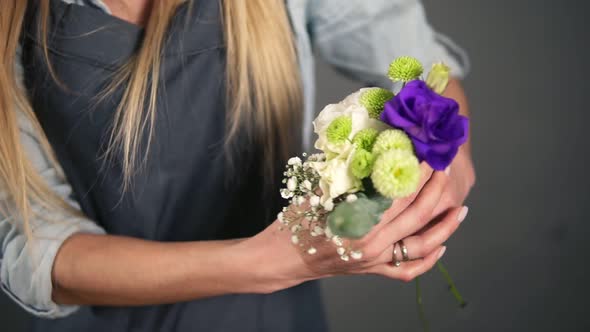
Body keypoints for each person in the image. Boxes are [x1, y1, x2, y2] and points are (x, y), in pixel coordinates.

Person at [0, 0, 476, 331]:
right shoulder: (12, 23)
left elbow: (424, 72)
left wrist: (446, 163)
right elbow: (40, 250)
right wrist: (272, 261)